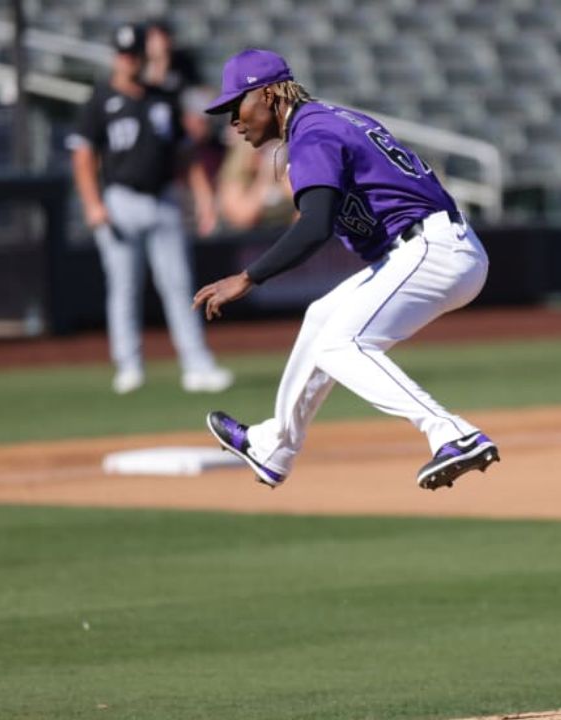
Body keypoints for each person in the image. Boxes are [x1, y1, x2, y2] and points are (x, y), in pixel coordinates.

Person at [194, 49, 499, 491]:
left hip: (431, 249)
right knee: (322, 318)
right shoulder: (325, 120)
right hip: (429, 247)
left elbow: (315, 226)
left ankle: (452, 433)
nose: (232, 121)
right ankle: (274, 445)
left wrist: (248, 277)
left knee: (341, 345)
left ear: (267, 94)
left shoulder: (311, 134)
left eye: (235, 105)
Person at [68, 23, 232, 394]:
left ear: (142, 57)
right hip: (120, 200)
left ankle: (197, 365)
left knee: (179, 286)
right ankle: (128, 366)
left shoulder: (161, 98)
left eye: (134, 54)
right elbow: (83, 158)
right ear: (116, 57)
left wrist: (204, 199)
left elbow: (186, 154)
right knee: (124, 287)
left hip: (163, 199)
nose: (129, 61)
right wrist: (93, 205)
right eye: (123, 54)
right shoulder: (99, 101)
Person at [216, 136, 296, 231]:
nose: (264, 157)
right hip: (248, 241)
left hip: (281, 234)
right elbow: (244, 217)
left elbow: (303, 203)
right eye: (261, 151)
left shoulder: (280, 175)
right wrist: (265, 175)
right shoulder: (233, 181)